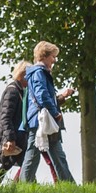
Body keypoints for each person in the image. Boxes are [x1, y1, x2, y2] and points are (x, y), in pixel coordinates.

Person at [20, 41, 77, 183]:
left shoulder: (35, 73)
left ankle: (24, 185)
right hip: (43, 119)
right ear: (44, 56)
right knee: (56, 155)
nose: (55, 60)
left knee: (33, 155)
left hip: (37, 119)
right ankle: (69, 185)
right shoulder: (39, 73)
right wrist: (54, 112)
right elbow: (42, 94)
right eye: (53, 56)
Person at [0, 61, 30, 183]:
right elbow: (5, 117)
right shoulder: (13, 91)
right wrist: (10, 138)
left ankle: (11, 187)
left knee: (18, 163)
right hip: (10, 135)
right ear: (22, 75)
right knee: (8, 164)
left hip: (16, 135)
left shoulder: (22, 91)